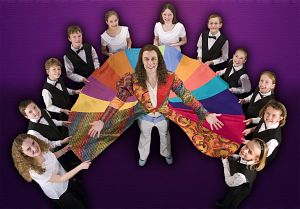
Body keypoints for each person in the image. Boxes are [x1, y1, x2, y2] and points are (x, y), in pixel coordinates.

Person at [89, 44, 226, 167]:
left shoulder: (170, 77)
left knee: (165, 135)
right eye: (146, 59)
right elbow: (118, 100)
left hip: (163, 116)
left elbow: (187, 96)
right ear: (142, 61)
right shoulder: (132, 79)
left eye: (153, 59)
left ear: (159, 60)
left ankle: (166, 154)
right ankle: (143, 156)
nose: (150, 63)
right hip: (143, 117)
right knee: (145, 136)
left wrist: (205, 114)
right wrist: (102, 120)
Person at [12, 133, 91, 209]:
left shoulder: (42, 150)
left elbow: (52, 156)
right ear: (23, 154)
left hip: (67, 179)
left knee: (82, 199)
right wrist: (80, 167)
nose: (34, 148)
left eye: (33, 143)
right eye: (28, 149)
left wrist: (64, 150)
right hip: (61, 192)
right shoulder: (34, 171)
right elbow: (60, 179)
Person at [18, 99, 81, 171]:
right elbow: (47, 145)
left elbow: (51, 121)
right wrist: (62, 142)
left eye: (35, 107)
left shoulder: (43, 111)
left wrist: (63, 123)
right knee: (70, 169)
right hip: (56, 153)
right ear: (27, 117)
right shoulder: (32, 132)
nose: (35, 112)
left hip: (61, 139)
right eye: (30, 112)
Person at [216, 138, 268, 209]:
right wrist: (230, 155)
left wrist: (225, 161)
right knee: (229, 197)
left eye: (250, 152)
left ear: (255, 159)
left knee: (232, 202)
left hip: (240, 190)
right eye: (246, 146)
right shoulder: (246, 158)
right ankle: (224, 205)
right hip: (237, 180)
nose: (244, 150)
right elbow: (238, 158)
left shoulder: (242, 175)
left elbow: (229, 181)